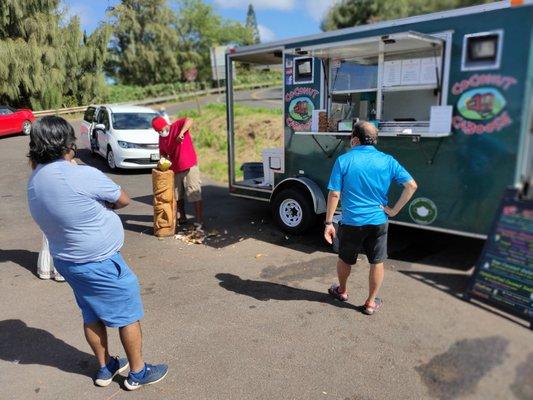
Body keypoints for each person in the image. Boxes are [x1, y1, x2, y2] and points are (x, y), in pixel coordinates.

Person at [27, 116, 168, 390]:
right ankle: (137, 372)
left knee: (91, 314)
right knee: (126, 315)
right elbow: (123, 199)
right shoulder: (81, 174)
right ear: (66, 143)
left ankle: (105, 368)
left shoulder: (34, 181)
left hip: (68, 262)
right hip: (101, 262)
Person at [324, 121, 417, 315]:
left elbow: (334, 194)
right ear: (374, 140)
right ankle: (370, 303)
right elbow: (411, 186)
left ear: (355, 139)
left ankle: (342, 291)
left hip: (351, 222)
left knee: (345, 259)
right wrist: (394, 211)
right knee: (377, 262)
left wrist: (328, 223)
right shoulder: (388, 160)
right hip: (378, 221)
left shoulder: (344, 160)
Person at [152, 115, 203, 228]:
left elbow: (190, 119)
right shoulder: (162, 137)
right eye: (158, 131)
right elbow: (163, 154)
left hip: (190, 166)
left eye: (161, 129)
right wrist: (162, 166)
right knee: (177, 195)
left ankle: (199, 221)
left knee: (194, 192)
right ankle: (183, 217)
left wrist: (181, 133)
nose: (160, 132)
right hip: (175, 169)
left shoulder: (177, 126)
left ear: (165, 125)